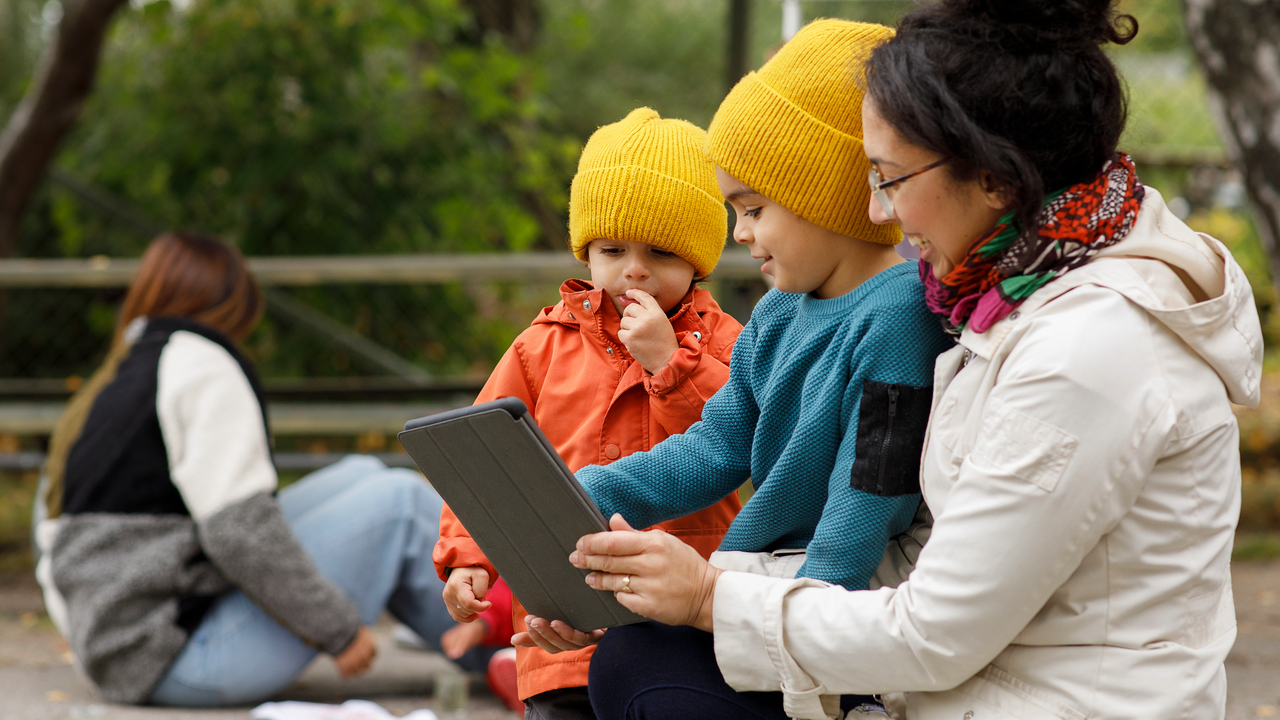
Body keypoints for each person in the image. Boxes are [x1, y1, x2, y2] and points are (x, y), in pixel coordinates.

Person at [567, 2, 1265, 719]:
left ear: (992, 176)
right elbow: (920, 556)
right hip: (961, 684)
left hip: (1030, 702)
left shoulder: (1086, 351)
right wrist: (643, 586)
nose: (877, 213)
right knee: (639, 655)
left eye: (889, 177)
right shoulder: (1000, 304)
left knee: (654, 669)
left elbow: (932, 624)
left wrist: (709, 597)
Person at [518, 18, 954, 718]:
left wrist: (806, 653)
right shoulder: (780, 312)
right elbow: (715, 447)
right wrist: (588, 495)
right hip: (763, 583)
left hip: (836, 613)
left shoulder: (900, 317)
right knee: (622, 663)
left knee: (639, 667)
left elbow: (866, 499)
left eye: (753, 208)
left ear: (826, 195)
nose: (741, 233)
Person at [32, 232, 478, 707]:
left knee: (362, 474)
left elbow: (54, 535)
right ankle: (525, 650)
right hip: (176, 656)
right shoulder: (201, 363)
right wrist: (338, 630)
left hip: (123, 644)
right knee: (399, 505)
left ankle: (491, 638)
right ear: (232, 302)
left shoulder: (119, 372)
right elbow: (238, 532)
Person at [433, 107, 745, 719]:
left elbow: (740, 439)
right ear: (586, 252)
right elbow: (486, 458)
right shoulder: (541, 344)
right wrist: (469, 554)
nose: (635, 268)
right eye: (612, 248)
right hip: (564, 615)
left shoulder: (724, 341)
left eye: (660, 251)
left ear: (698, 260)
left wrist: (670, 364)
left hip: (683, 618)